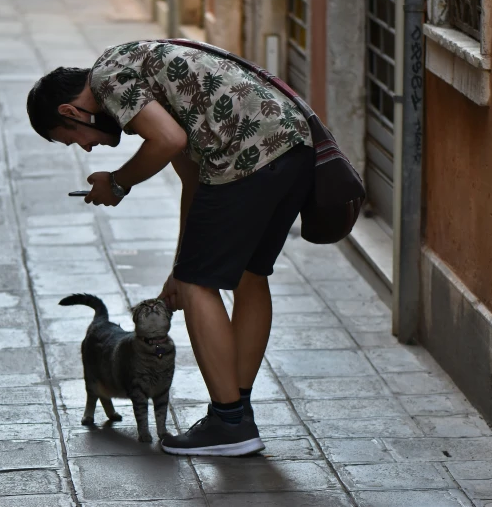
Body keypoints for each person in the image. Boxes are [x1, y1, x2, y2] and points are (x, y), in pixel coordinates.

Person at [26, 39, 315, 457]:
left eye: (74, 139)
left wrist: (119, 182)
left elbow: (168, 140)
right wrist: (181, 265)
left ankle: (229, 422)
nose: (87, 147)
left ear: (71, 112)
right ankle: (239, 414)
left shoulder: (107, 78)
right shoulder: (135, 72)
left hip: (245, 157)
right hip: (291, 147)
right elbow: (192, 178)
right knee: (249, 275)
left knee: (201, 285)